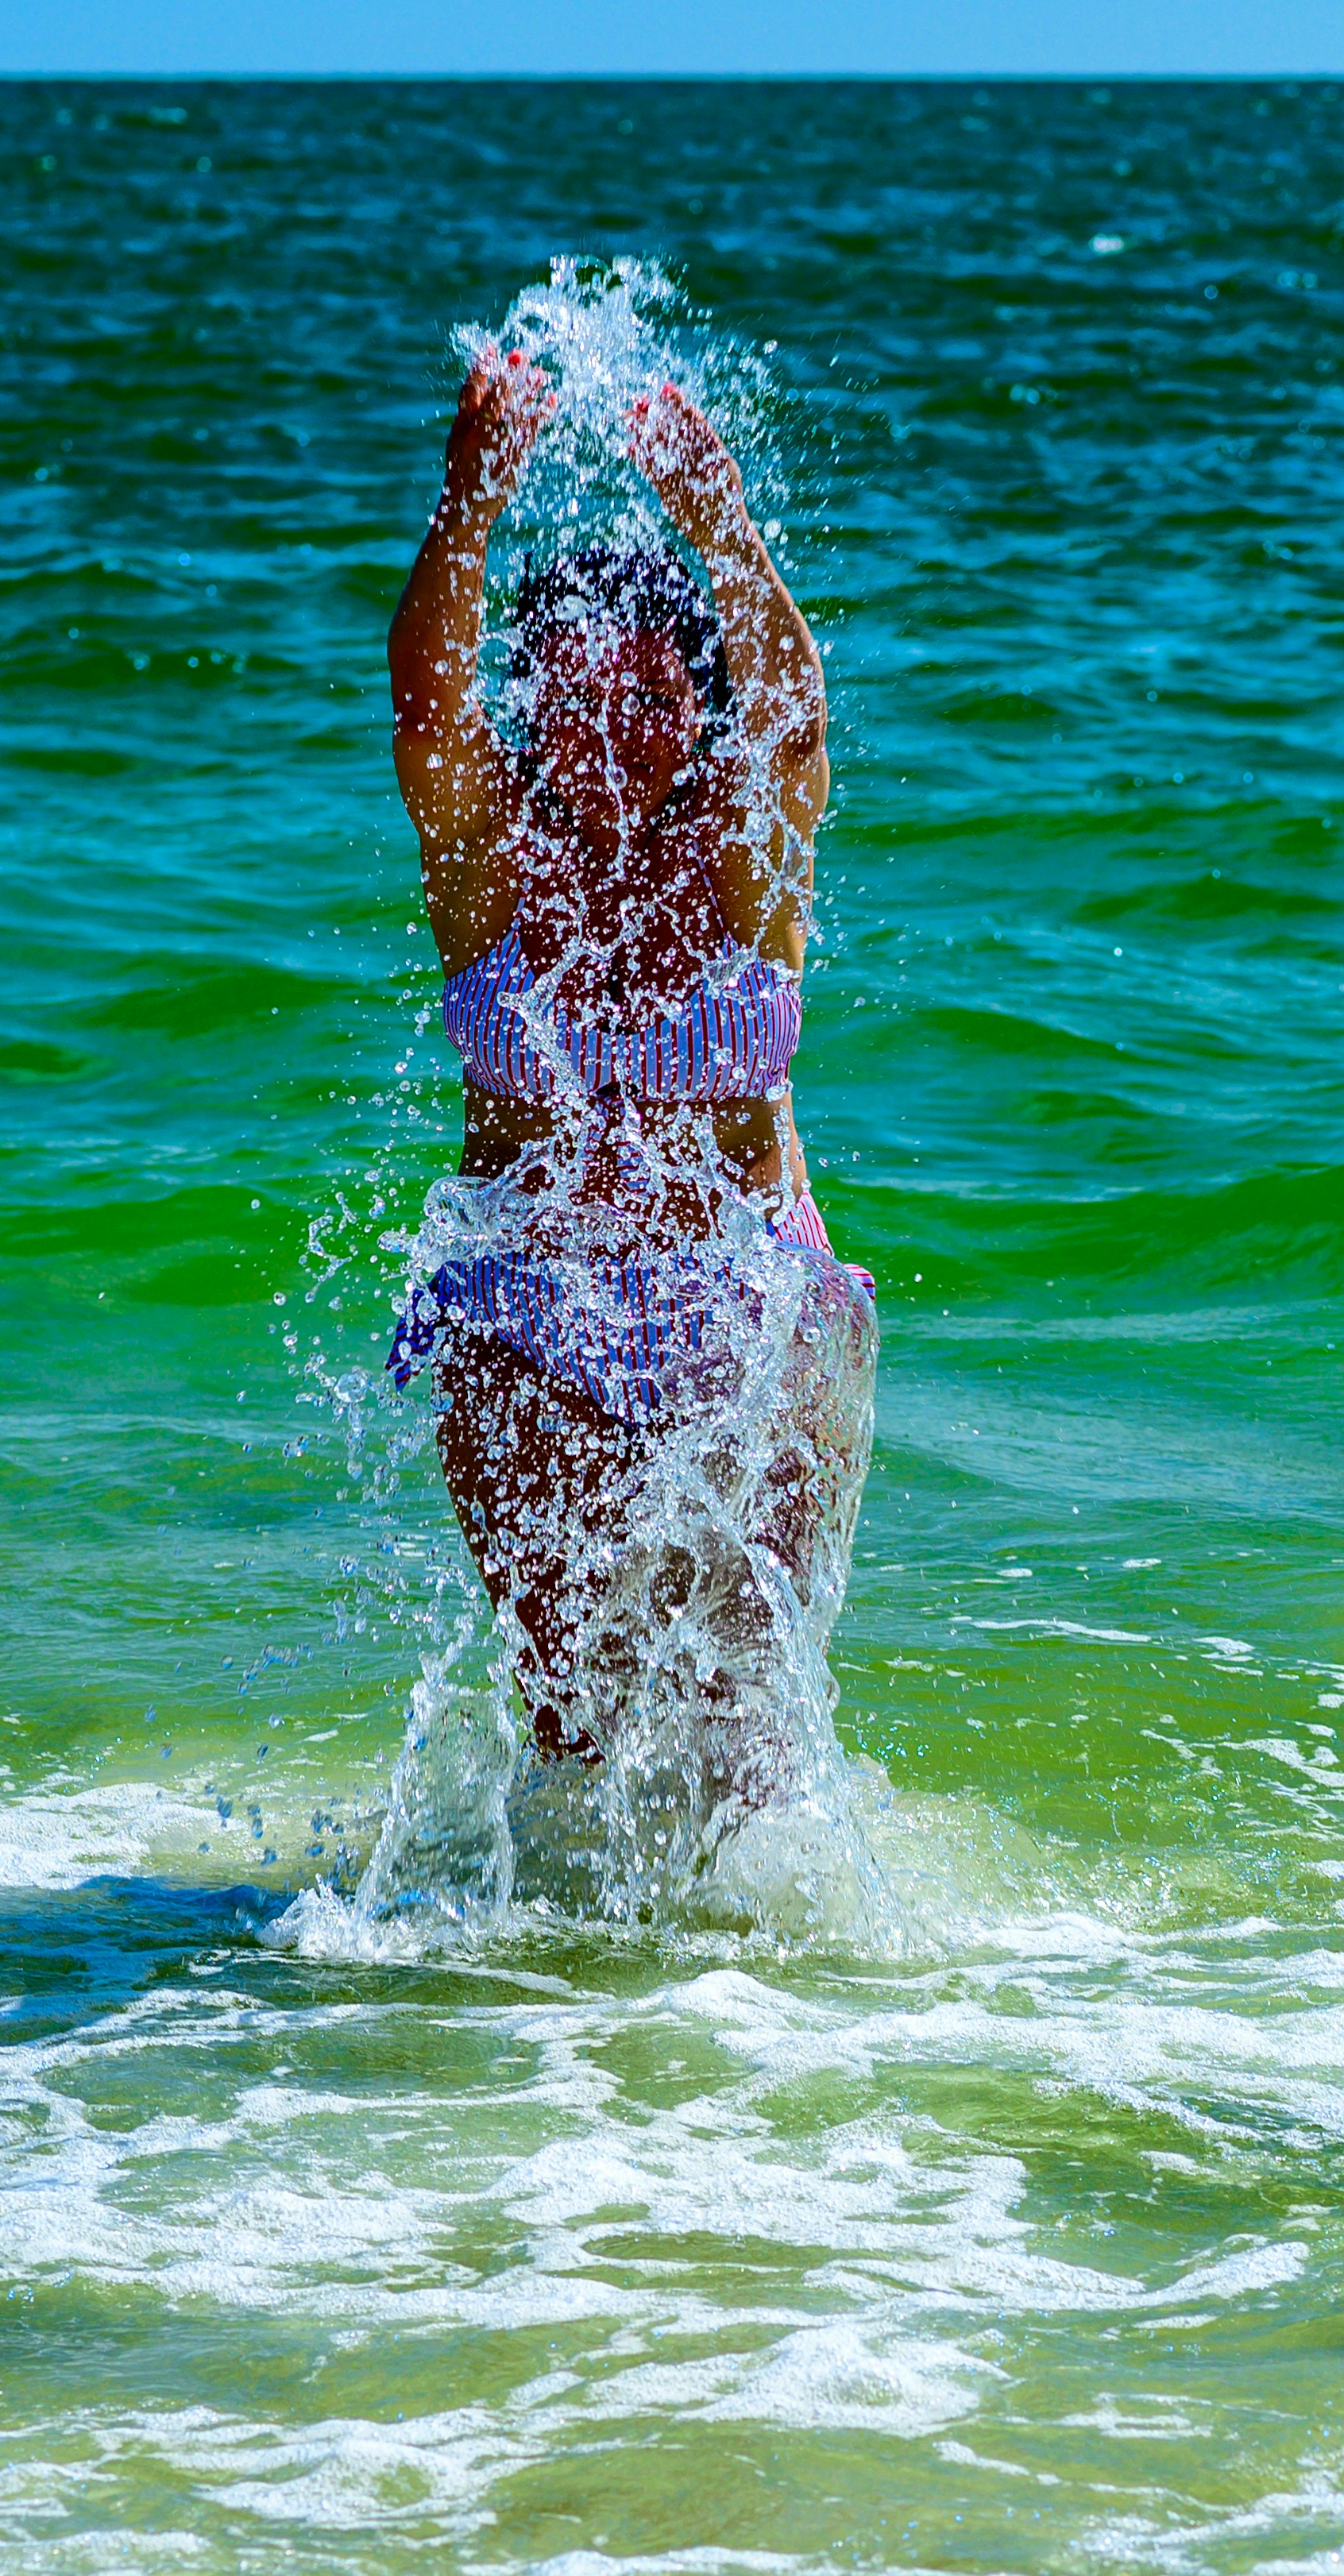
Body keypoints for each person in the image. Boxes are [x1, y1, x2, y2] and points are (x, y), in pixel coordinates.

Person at [386, 347, 877, 1772]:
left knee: (750, 1734)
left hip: (755, 1311)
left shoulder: (741, 861)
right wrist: (470, 502)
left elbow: (797, 715)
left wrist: (721, 524)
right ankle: (567, 1996)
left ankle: (752, 1998)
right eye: (576, 693)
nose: (613, 729)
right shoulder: (489, 858)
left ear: (693, 712)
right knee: (575, 1725)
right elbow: (424, 706)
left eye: (653, 698)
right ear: (530, 700)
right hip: (532, 1319)